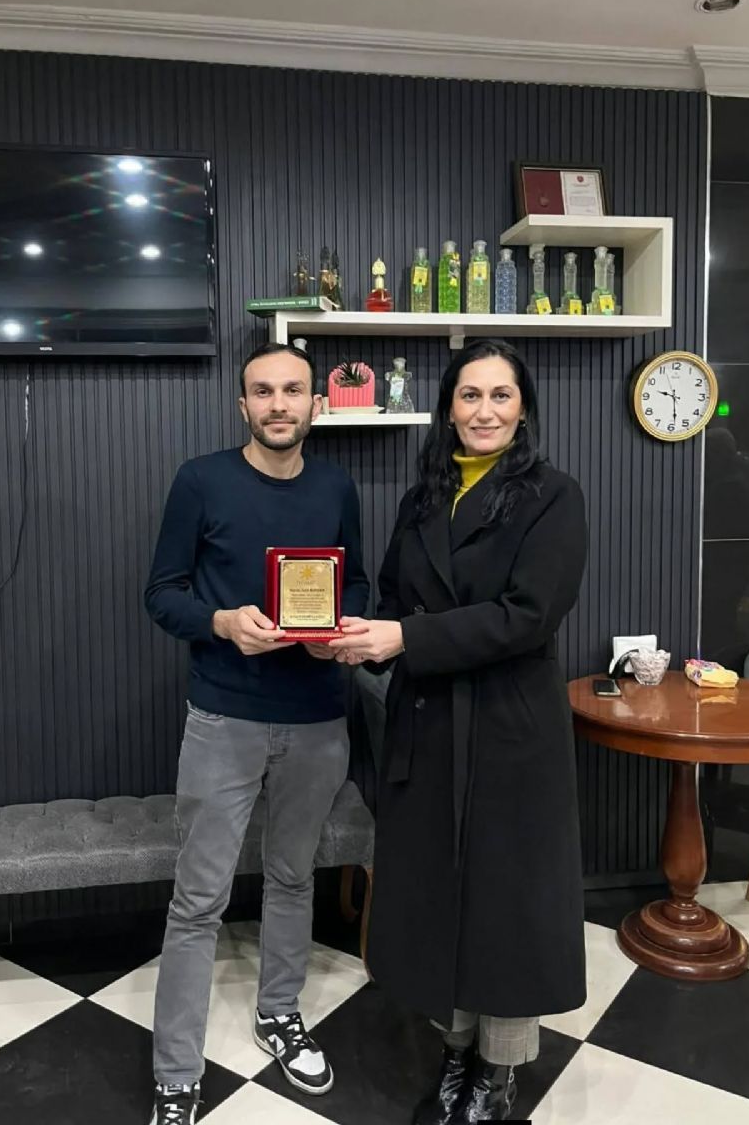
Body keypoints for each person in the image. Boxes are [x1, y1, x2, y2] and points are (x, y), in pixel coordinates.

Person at [330, 338, 588, 1124]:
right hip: (429, 722)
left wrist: (404, 637)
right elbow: (396, 597)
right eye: (469, 396)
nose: (484, 411)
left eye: (500, 396)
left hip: (510, 728)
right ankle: (456, 1051)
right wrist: (355, 636)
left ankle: (497, 1073)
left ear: (524, 408)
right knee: (440, 899)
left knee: (505, 910)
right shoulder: (422, 499)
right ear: (447, 408)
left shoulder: (553, 496)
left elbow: (527, 616)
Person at [144, 341, 369, 1125]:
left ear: (316, 405)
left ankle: (279, 1013)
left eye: (293, 391)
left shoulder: (337, 487)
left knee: (293, 878)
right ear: (243, 404)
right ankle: (176, 1074)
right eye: (264, 391)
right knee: (197, 901)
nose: (279, 404)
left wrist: (340, 631)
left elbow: (357, 582)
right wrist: (221, 622)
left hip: (317, 718)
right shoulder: (200, 481)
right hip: (224, 717)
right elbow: (161, 593)